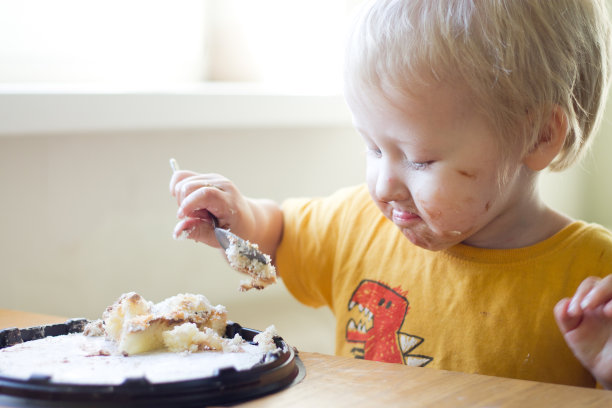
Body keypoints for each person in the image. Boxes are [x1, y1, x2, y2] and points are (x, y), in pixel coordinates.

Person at [170, 0, 612, 388]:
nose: (383, 185)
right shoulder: (358, 224)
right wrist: (238, 218)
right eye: (374, 148)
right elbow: (281, 236)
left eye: (420, 160)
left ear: (538, 136)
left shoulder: (595, 279)